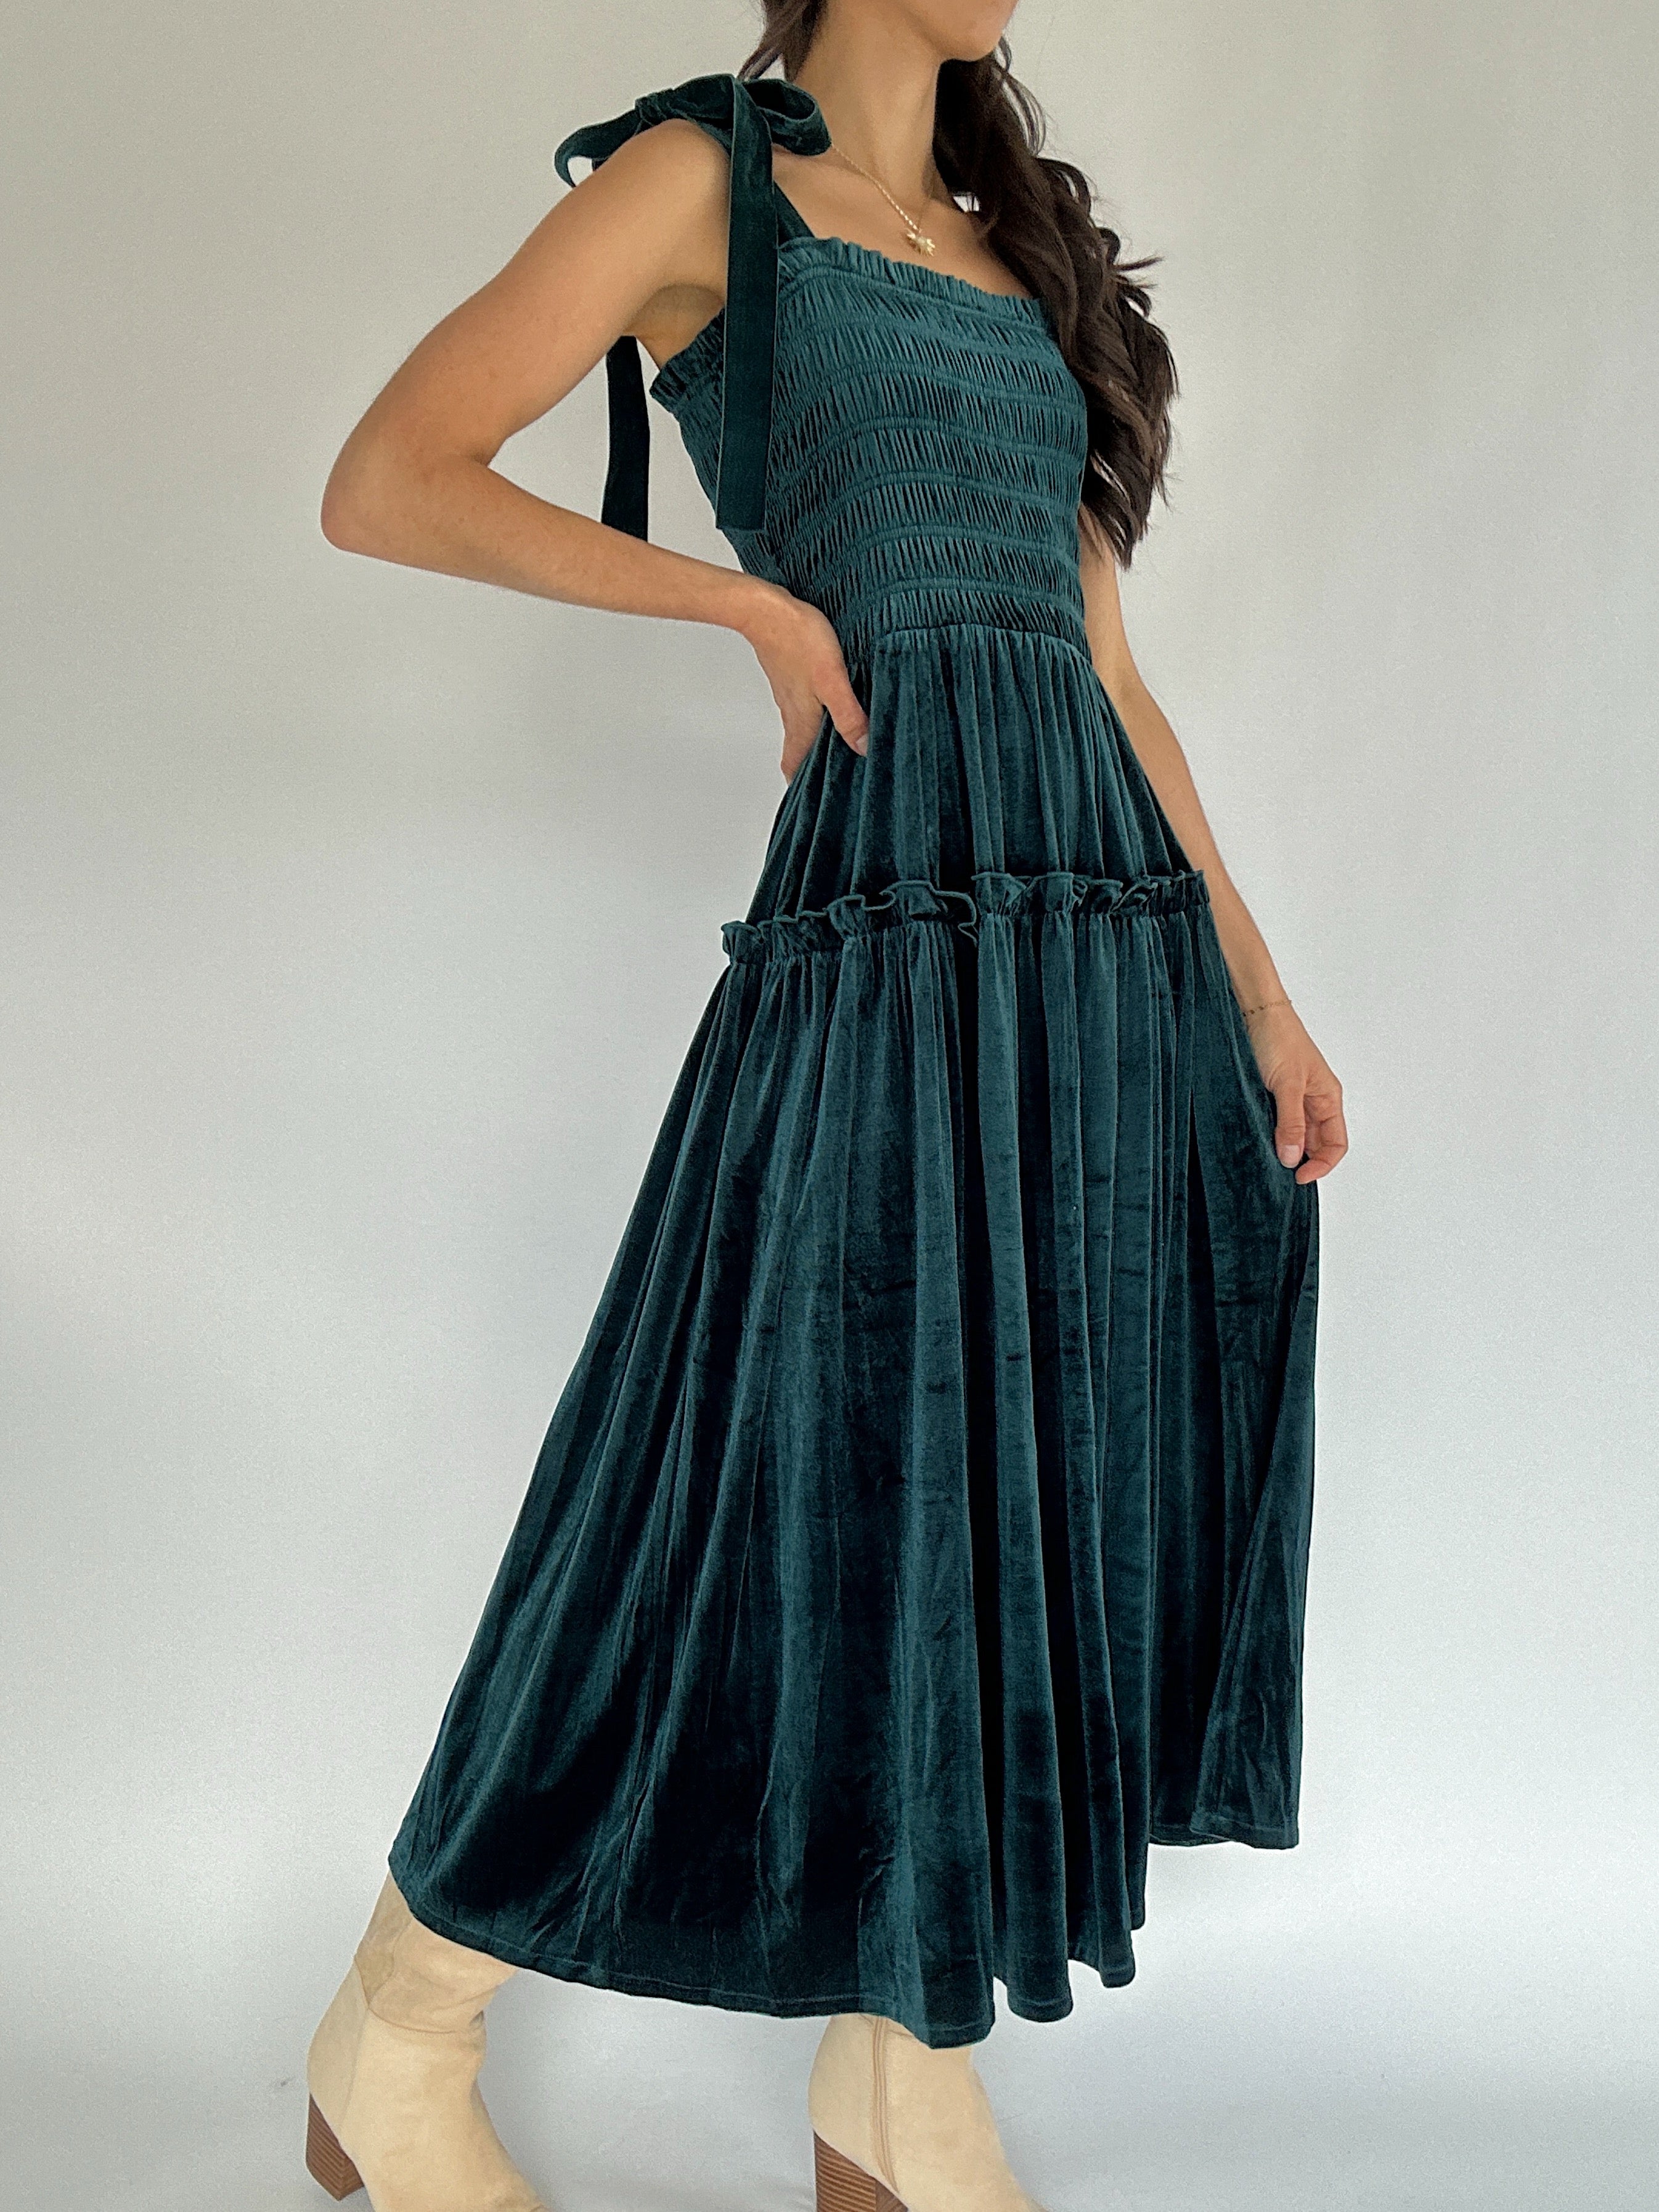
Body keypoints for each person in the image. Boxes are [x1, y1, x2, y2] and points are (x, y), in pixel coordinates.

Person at [303, 4, 1347, 2208]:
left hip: (1094, 937)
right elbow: (388, 480)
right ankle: (400, 2028)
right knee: (737, 1455)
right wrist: (745, 610)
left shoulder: (1008, 252)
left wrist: (1258, 994)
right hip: (885, 911)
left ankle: (903, 2057)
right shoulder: (703, 183)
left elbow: (1108, 678)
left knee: (1008, 1469)